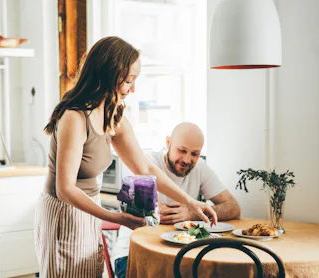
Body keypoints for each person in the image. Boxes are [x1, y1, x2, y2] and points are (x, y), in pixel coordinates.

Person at [34, 37, 217, 278]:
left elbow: (145, 168)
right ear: (108, 75)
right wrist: (117, 218)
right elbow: (65, 189)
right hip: (64, 213)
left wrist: (191, 202)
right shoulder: (74, 117)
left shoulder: (113, 116)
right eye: (129, 80)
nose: (133, 89)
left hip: (89, 209)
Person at [113, 122, 241, 278]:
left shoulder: (199, 167)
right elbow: (152, 215)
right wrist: (195, 210)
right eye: (182, 151)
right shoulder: (144, 162)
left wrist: (191, 213)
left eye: (194, 154)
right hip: (133, 256)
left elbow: (234, 207)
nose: (187, 160)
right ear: (168, 143)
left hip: (183, 256)